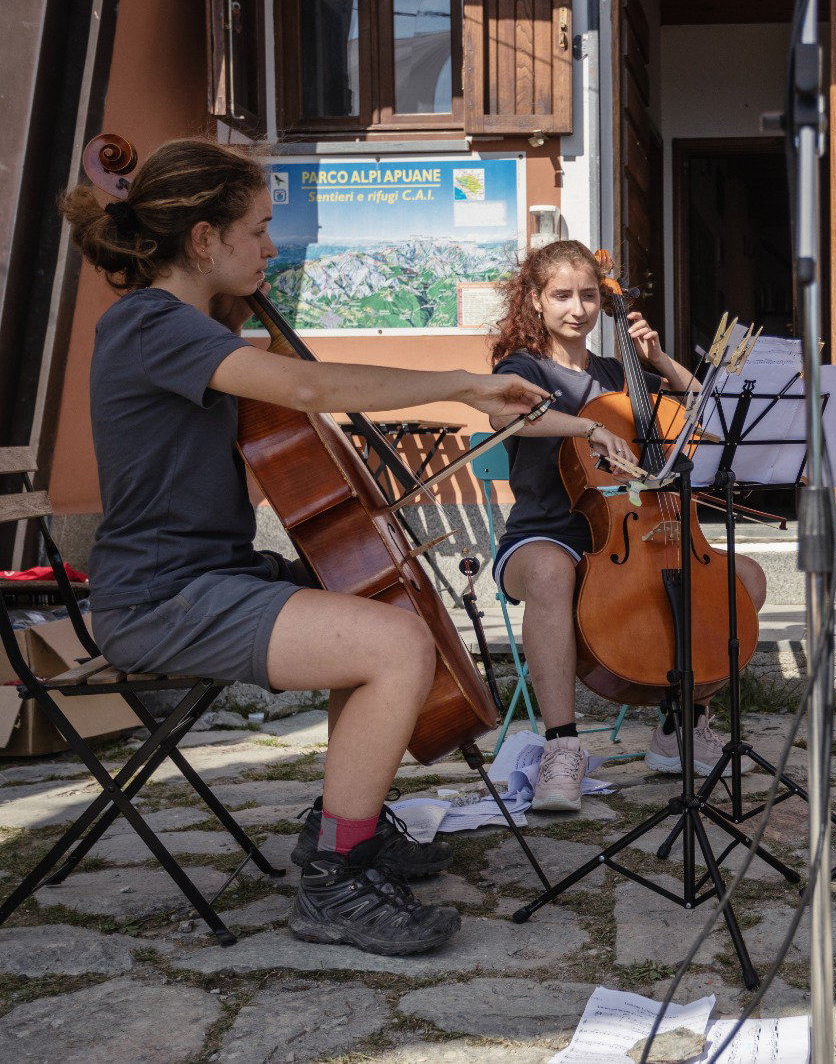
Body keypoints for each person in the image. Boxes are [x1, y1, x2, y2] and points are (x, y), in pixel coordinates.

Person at [62, 138, 551, 955]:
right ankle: (334, 880)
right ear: (203, 239)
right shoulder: (149, 324)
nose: (270, 246)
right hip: (158, 597)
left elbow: (279, 418)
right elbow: (307, 388)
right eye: (256, 229)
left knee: (369, 602)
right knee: (392, 642)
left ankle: (343, 829)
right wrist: (463, 385)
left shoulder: (197, 332)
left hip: (211, 575)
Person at [486, 241, 767, 812]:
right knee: (549, 571)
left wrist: (659, 361)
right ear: (535, 301)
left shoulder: (618, 373)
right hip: (544, 535)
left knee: (745, 578)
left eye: (588, 295)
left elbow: (708, 421)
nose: (578, 307)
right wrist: (585, 429)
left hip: (635, 536)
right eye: (561, 295)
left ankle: (681, 724)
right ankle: (562, 747)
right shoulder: (522, 367)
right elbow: (502, 412)